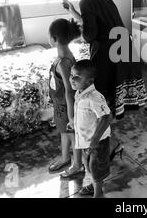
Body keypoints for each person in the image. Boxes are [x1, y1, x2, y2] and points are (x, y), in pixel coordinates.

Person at [63, 0, 147, 118]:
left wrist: (80, 35)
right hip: (124, 45)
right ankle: (111, 121)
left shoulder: (86, 1)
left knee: (103, 89)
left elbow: (90, 34)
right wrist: (73, 12)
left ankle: (103, 129)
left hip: (109, 50)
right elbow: (101, 24)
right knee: (116, 86)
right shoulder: (106, 0)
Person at [47, 18, 84, 179]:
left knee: (71, 134)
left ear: (54, 39)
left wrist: (71, 116)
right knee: (63, 132)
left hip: (65, 106)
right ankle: (65, 158)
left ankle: (77, 165)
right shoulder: (62, 57)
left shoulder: (64, 62)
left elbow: (70, 91)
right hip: (59, 104)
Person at [70, 60, 113, 198]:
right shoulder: (79, 93)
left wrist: (95, 139)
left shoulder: (94, 97)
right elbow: (85, 115)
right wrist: (74, 124)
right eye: (71, 75)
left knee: (96, 168)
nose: (72, 79)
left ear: (90, 81)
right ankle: (94, 185)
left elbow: (106, 117)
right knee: (88, 165)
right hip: (85, 140)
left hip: (97, 142)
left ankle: (98, 193)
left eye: (77, 77)